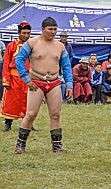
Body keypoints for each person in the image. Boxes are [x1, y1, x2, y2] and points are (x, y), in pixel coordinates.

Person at [15, 17, 73, 153]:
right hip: (36, 82)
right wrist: (26, 79)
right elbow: (19, 60)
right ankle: (20, 145)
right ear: (42, 29)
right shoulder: (32, 43)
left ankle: (57, 146)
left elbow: (66, 66)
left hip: (54, 82)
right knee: (30, 114)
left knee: (56, 115)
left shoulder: (60, 46)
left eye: (55, 30)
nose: (53, 32)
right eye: (50, 29)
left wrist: (69, 84)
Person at [1, 21, 32, 132]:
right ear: (19, 33)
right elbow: (5, 64)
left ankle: (29, 122)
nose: (26, 35)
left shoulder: (32, 45)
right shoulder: (11, 46)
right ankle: (8, 123)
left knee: (29, 101)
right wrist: (6, 80)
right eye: (24, 33)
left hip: (28, 78)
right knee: (11, 101)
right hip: (14, 78)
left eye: (28, 33)